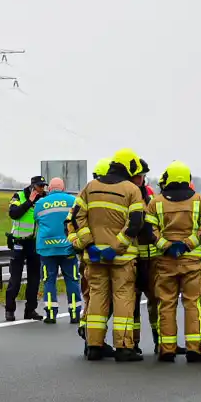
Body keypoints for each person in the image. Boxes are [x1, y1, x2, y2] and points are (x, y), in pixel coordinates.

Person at [72, 149, 147, 362]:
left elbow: (78, 217)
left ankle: (94, 345)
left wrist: (90, 245)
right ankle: (124, 347)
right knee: (123, 299)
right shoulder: (132, 189)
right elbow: (135, 223)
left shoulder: (90, 187)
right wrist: (116, 247)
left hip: (95, 258)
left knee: (96, 298)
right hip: (122, 259)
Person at [147, 161, 201, 362]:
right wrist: (187, 245)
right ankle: (196, 349)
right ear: (187, 179)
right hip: (192, 263)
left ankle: (167, 349)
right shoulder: (200, 201)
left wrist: (165, 246)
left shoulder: (156, 202)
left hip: (165, 263)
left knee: (166, 304)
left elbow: (150, 230)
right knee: (193, 303)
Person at [69, 158, 114, 355]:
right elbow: (71, 224)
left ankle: (90, 335)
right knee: (96, 298)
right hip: (92, 258)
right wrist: (82, 245)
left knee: (94, 297)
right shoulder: (86, 196)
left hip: (92, 257)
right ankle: (91, 336)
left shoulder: (87, 195)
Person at [35, 177, 81, 324]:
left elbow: (37, 220)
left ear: (49, 188)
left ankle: (50, 314)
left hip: (47, 249)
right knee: (72, 280)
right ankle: (75, 313)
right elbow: (78, 221)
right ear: (63, 187)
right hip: (68, 247)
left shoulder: (40, 203)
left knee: (49, 281)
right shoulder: (72, 200)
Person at [6, 176, 47, 321]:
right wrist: (29, 202)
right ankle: (10, 310)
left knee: (34, 279)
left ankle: (30, 310)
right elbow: (14, 214)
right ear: (32, 186)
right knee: (15, 278)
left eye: (44, 186)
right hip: (19, 242)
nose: (42, 189)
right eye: (40, 186)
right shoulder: (19, 195)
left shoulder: (44, 199)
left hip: (35, 243)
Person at [132, 159, 161, 351]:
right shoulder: (128, 195)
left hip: (151, 260)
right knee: (131, 304)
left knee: (156, 302)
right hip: (133, 259)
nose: (142, 179)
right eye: (140, 175)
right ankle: (132, 343)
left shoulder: (148, 197)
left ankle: (160, 341)